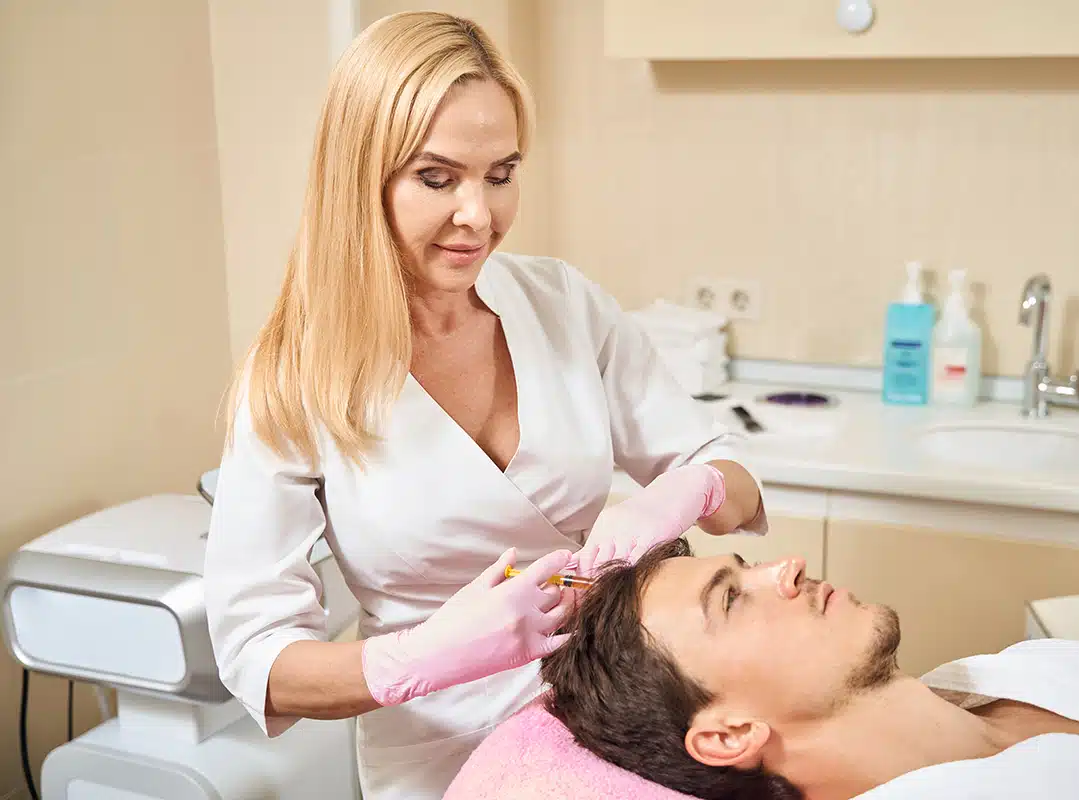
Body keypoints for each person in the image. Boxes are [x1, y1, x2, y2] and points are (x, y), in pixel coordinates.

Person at [201, 11, 767, 800]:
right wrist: (422, 657)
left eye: (500, 175)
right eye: (438, 179)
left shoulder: (562, 304)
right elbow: (260, 662)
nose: (479, 216)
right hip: (444, 751)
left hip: (622, 717)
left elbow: (731, 480)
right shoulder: (296, 379)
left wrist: (690, 488)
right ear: (360, 180)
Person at [538, 539, 1079, 800]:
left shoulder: (1018, 670)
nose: (788, 566)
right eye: (732, 599)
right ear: (729, 733)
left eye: (747, 566)